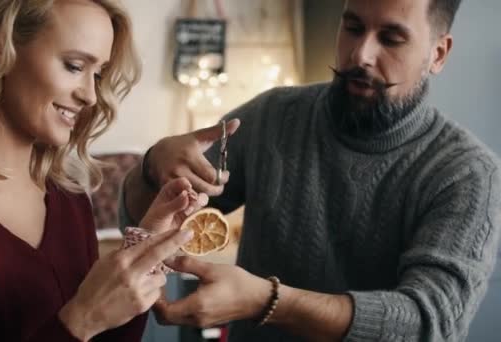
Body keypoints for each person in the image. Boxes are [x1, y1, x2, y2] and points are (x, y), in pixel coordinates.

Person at [121, 0, 501, 341]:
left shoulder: (467, 173)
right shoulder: (272, 116)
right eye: (352, 27)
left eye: (391, 38)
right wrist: (153, 167)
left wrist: (269, 301)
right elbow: (142, 224)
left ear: (438, 54)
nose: (360, 54)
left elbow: (430, 324)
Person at [0, 0, 207, 341]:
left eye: (98, 74)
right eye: (74, 66)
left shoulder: (67, 196)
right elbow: (83, 325)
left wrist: (142, 252)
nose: (90, 95)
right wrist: (80, 320)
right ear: (0, 49)